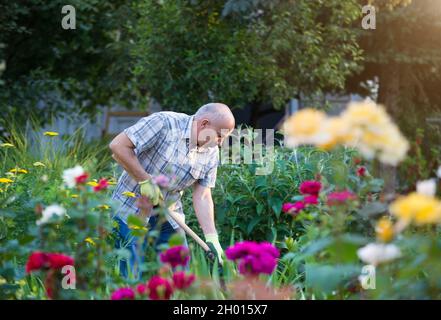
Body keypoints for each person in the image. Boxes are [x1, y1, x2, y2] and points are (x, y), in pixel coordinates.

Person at [109, 103, 235, 277]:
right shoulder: (164, 123)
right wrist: (144, 180)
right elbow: (118, 146)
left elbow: (204, 195)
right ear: (204, 124)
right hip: (131, 208)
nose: (220, 143)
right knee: (129, 272)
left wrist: (212, 237)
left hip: (169, 212)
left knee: (180, 270)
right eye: (220, 136)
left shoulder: (211, 151)